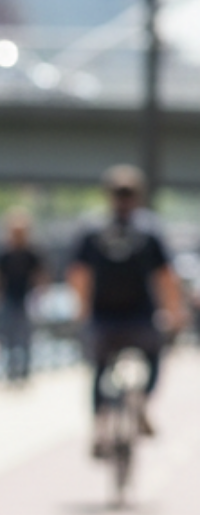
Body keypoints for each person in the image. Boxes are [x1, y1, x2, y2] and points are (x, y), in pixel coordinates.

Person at [67, 165, 190, 450]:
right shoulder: (149, 229)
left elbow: (78, 275)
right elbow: (166, 277)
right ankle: (142, 402)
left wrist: (82, 311)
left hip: (102, 318)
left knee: (98, 370)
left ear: (108, 195)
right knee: (155, 357)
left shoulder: (92, 229)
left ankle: (99, 427)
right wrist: (173, 313)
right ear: (138, 196)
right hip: (141, 318)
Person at [0, 208, 47, 384]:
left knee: (26, 338)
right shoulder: (3, 252)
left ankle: (25, 373)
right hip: (8, 298)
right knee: (8, 338)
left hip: (27, 298)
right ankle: (10, 372)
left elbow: (41, 274)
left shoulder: (32, 252)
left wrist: (41, 294)